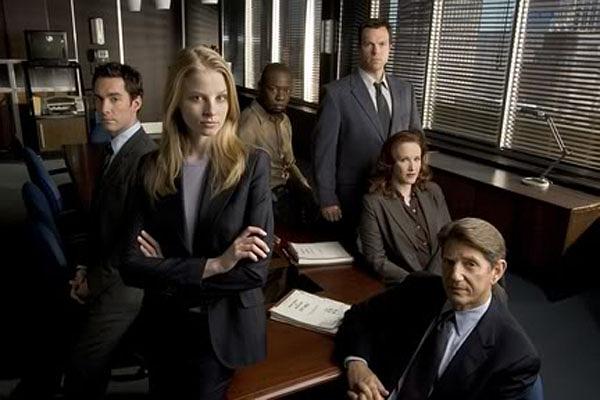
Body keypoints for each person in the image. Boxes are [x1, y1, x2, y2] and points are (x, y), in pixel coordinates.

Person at [120, 46, 274, 399]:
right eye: (197, 98)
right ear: (177, 102)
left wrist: (167, 271)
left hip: (222, 330)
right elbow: (129, 264)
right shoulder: (150, 167)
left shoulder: (252, 166)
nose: (211, 111)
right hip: (164, 326)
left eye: (221, 98)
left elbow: (255, 272)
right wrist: (215, 264)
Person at [336, 218, 540, 400]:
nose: (455, 276)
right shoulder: (420, 288)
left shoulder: (515, 356)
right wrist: (357, 364)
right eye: (449, 262)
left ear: (496, 271)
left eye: (470, 264)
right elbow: (360, 316)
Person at [62, 62, 157, 400]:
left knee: (80, 368)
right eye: (99, 98)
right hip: (102, 270)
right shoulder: (114, 147)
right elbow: (98, 222)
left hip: (125, 284)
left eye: (114, 99)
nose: (103, 108)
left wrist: (92, 283)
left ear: (136, 102)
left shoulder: (146, 157)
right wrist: (82, 268)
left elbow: (129, 244)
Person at [312, 18, 421, 236]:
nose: (375, 51)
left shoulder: (405, 90)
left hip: (395, 195)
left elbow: (417, 141)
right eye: (368, 44)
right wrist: (327, 197)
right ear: (359, 47)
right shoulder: (336, 94)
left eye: (382, 44)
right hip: (352, 197)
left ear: (390, 47)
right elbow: (323, 152)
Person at [359, 131, 451, 284]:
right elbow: (376, 258)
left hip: (443, 278)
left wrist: (434, 279)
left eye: (416, 159)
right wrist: (414, 282)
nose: (412, 167)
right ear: (390, 163)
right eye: (404, 160)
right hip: (404, 284)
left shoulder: (433, 191)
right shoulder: (374, 203)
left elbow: (448, 239)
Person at [238, 63, 314, 225]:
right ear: (260, 88)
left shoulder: (285, 120)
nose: (280, 97)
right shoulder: (249, 121)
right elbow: (236, 171)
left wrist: (305, 186)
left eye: (286, 91)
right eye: (273, 89)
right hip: (263, 193)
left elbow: (289, 162)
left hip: (285, 186)